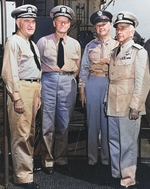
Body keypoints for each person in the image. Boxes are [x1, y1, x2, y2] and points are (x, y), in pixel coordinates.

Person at [106, 11, 150, 189]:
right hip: (113, 103)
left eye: (123, 28)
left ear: (132, 31)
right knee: (114, 141)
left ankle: (128, 179)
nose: (119, 31)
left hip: (128, 105)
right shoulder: (114, 51)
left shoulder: (138, 52)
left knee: (129, 144)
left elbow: (143, 81)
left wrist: (136, 106)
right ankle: (116, 174)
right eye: (117, 28)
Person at [37, 5, 81, 175]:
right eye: (59, 21)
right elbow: (37, 65)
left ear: (69, 24)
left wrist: (69, 78)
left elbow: (77, 67)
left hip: (67, 82)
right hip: (48, 81)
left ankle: (61, 159)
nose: (63, 24)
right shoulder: (43, 42)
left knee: (64, 123)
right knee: (47, 123)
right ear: (54, 23)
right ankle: (47, 160)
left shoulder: (75, 44)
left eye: (66, 22)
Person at [1, 4, 41, 189]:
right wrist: (16, 97)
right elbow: (9, 73)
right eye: (27, 21)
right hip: (21, 89)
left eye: (33, 21)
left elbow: (37, 72)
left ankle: (27, 170)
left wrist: (38, 95)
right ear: (18, 23)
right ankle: (23, 178)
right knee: (21, 135)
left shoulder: (31, 43)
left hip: (33, 89)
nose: (31, 25)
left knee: (30, 133)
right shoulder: (14, 41)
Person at [78, 10, 118, 170]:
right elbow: (84, 68)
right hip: (93, 83)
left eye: (104, 24)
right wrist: (82, 89)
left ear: (110, 26)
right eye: (98, 25)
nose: (101, 27)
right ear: (95, 27)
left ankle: (107, 158)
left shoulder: (117, 46)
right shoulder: (90, 46)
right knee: (92, 122)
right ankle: (92, 158)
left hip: (111, 84)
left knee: (109, 123)